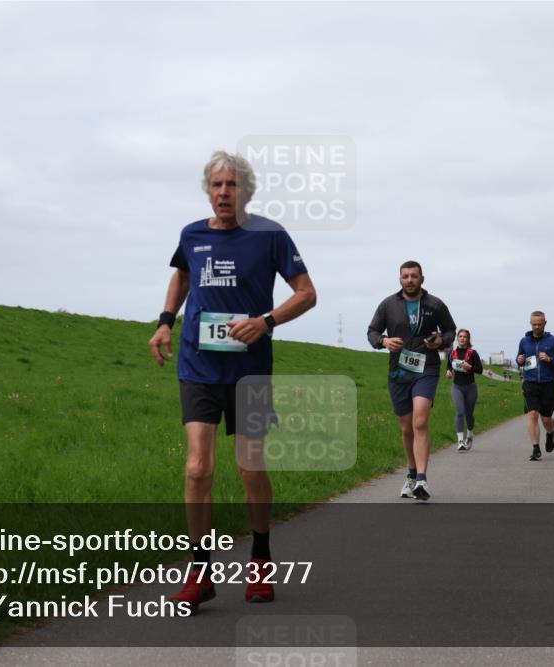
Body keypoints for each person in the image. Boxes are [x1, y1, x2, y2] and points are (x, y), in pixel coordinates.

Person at [149, 150, 317, 611]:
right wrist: (165, 320)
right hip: (198, 366)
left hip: (251, 370)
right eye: (217, 185)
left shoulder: (270, 236)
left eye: (233, 185)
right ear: (209, 190)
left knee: (250, 468)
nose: (225, 192)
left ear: (247, 190)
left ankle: (260, 558)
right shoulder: (192, 234)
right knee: (197, 468)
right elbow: (182, 276)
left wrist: (265, 321)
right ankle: (199, 571)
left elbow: (307, 294)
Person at [368, 261, 456, 500]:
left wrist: (440, 341)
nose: (409, 280)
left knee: (420, 420)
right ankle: (411, 472)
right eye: (405, 276)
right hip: (398, 371)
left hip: (426, 368)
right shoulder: (388, 305)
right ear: (400, 280)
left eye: (414, 276)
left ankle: (422, 480)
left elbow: (450, 331)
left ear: (422, 279)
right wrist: (384, 341)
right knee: (406, 427)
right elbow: (372, 332)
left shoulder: (435, 304)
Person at [516, 311, 554, 461]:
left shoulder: (553, 341)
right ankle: (535, 448)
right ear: (530, 323)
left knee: (546, 419)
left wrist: (550, 359)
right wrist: (519, 359)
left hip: (547, 384)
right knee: (532, 414)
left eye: (539, 324)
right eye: (534, 324)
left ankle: (550, 433)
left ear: (545, 323)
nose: (537, 327)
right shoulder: (524, 341)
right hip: (530, 383)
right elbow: (520, 358)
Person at [448, 329, 483, 451]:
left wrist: (470, 367)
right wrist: (448, 372)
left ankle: (470, 435)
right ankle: (460, 441)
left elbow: (480, 369)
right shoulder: (452, 353)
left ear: (468, 339)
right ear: (457, 338)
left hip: (470, 387)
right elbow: (449, 367)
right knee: (460, 411)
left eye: (465, 337)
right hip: (457, 387)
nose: (462, 339)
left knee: (469, 415)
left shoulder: (473, 353)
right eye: (460, 336)